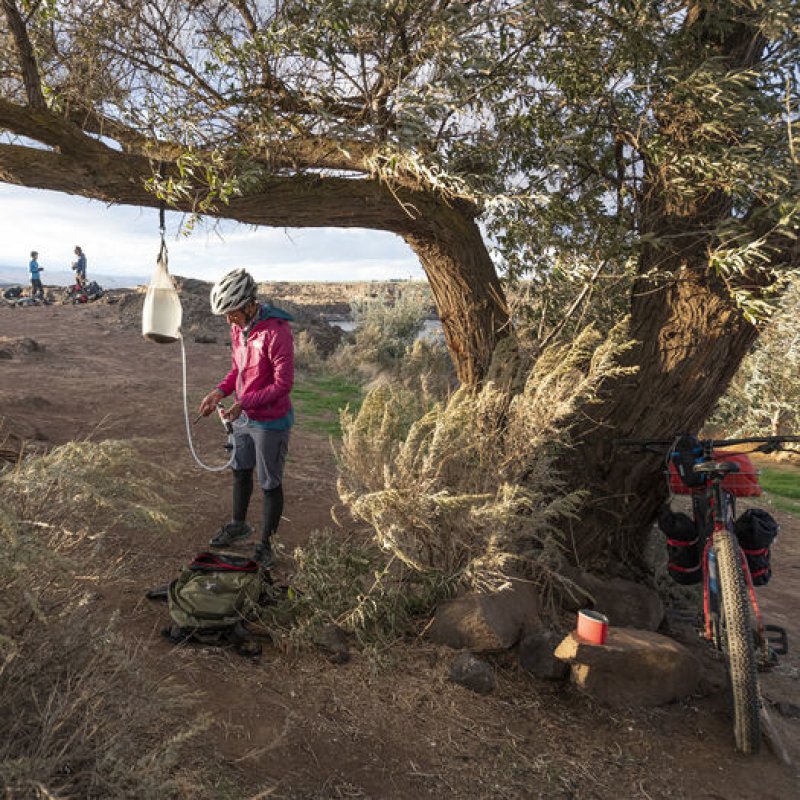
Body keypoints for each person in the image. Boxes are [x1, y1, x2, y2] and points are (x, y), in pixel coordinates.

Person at [198, 268, 294, 567]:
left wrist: (244, 402)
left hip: (269, 422)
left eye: (233, 313)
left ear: (250, 304)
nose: (229, 320)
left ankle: (266, 544)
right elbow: (237, 370)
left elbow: (283, 385)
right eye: (225, 315)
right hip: (242, 417)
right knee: (240, 471)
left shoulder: (277, 332)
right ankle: (239, 525)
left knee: (269, 483)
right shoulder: (239, 329)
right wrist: (219, 392)